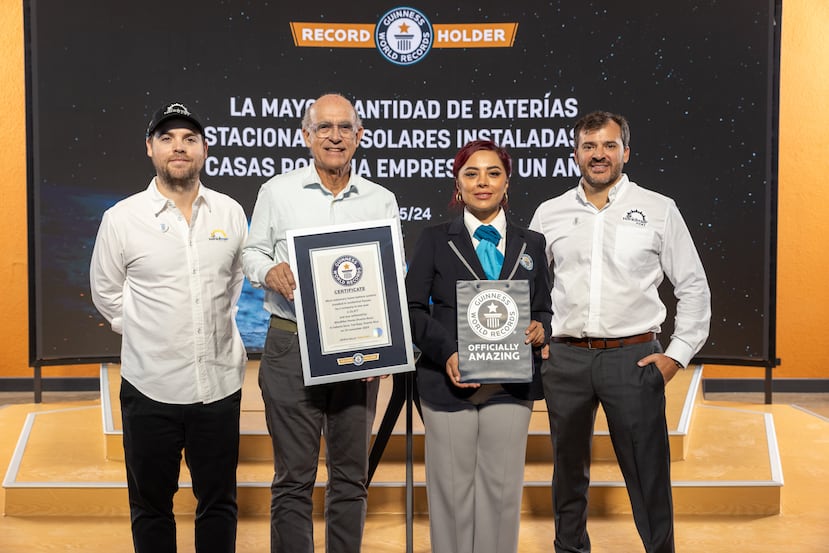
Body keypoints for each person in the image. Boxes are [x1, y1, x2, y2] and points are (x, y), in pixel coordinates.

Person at [529, 111, 711, 553]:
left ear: (626, 152)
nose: (599, 155)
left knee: (647, 473)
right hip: (566, 361)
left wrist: (677, 354)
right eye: (589, 146)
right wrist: (538, 340)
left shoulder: (658, 209)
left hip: (634, 360)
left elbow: (693, 286)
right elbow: (527, 287)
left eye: (609, 146)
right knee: (568, 474)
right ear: (575, 154)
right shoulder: (549, 213)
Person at [242, 93, 403, 553]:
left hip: (356, 349)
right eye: (324, 127)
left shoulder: (381, 200)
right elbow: (252, 253)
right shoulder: (278, 191)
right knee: (293, 476)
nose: (335, 136)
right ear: (306, 135)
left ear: (360, 135)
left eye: (345, 127)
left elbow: (391, 275)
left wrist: (386, 344)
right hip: (291, 344)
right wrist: (266, 271)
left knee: (351, 476)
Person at [89, 101, 249, 553]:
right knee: (151, 505)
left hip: (218, 387)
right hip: (149, 388)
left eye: (189, 139)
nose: (179, 148)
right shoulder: (122, 218)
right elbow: (107, 293)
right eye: (167, 138)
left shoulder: (230, 213)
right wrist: (148, 332)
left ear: (204, 150)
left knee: (218, 502)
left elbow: (231, 285)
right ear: (150, 149)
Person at [406, 140, 553, 553]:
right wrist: (447, 351)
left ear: (507, 182)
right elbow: (413, 308)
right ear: (458, 183)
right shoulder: (435, 240)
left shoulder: (532, 243)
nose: (482, 182)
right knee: (452, 494)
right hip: (447, 381)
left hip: (511, 384)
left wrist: (541, 327)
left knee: (502, 492)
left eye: (493, 173)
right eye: (471, 173)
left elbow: (543, 308)